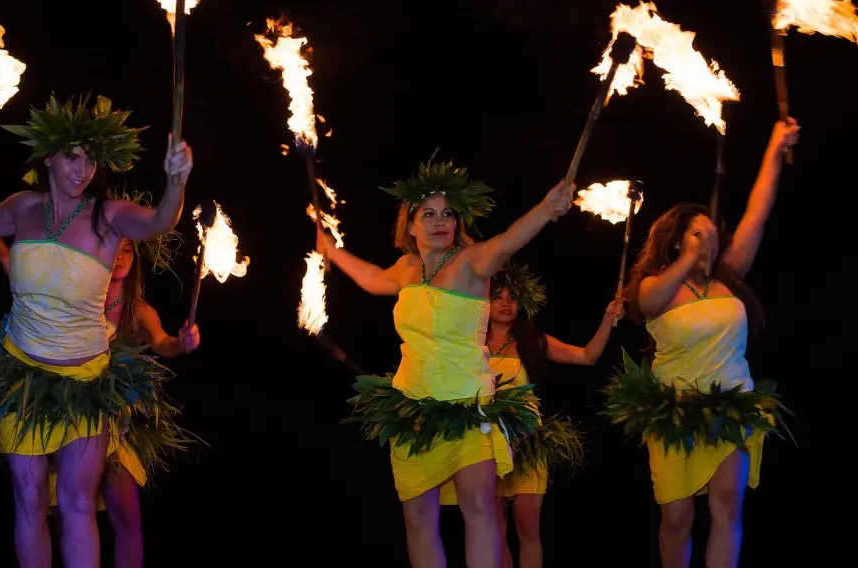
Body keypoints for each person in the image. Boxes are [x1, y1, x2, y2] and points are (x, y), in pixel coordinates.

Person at [0, 94, 195, 568]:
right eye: (73, 155)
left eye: (92, 158)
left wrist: (176, 182)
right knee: (29, 498)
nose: (83, 168)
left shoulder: (108, 218)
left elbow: (159, 220)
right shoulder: (22, 208)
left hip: (87, 383)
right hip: (22, 377)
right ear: (49, 155)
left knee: (75, 502)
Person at [323, 160, 576, 568]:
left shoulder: (471, 263)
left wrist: (547, 209)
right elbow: (372, 279)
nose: (441, 221)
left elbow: (509, 240)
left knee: (479, 507)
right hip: (414, 406)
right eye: (429, 214)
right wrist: (332, 250)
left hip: (468, 403)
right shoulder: (408, 268)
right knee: (417, 516)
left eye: (448, 214)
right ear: (410, 225)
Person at [604, 119, 800, 568]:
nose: (709, 242)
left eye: (713, 236)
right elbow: (646, 302)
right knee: (677, 517)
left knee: (727, 505)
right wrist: (691, 257)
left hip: (731, 402)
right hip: (673, 409)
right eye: (698, 235)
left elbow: (756, 215)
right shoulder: (656, 287)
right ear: (674, 243)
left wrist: (773, 149)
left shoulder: (727, 278)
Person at [0, 187, 201, 568]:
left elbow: (164, 343)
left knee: (125, 513)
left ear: (136, 258)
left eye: (128, 249)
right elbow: (14, 267)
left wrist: (181, 342)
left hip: (109, 415)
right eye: (115, 246)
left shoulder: (137, 310)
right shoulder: (74, 290)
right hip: (57, 406)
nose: (120, 256)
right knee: (52, 504)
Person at [439, 260, 622, 568]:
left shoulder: (534, 342)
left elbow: (588, 356)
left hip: (525, 444)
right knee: (493, 528)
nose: (506, 303)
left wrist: (607, 319)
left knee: (528, 528)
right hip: (485, 446)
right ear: (485, 301)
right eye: (498, 296)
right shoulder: (471, 345)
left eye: (512, 297)